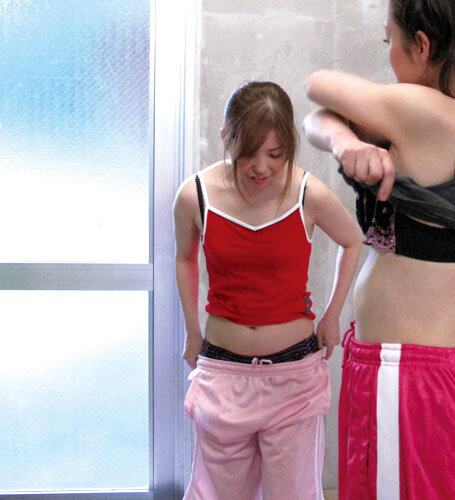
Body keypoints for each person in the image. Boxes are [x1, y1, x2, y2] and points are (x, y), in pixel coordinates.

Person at [302, 0, 455, 498]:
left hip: (406, 378)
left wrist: (344, 139)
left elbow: (317, 86)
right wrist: (344, 142)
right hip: (432, 370)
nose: (389, 55)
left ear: (421, 46)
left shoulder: (430, 113)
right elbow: (318, 120)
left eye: (390, 41)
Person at [173, 81, 362, 500]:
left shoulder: (307, 193)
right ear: (226, 137)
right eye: (248, 153)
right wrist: (192, 331)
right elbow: (184, 258)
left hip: (294, 376)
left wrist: (332, 316)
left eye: (275, 155)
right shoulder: (195, 196)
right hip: (223, 372)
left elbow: (352, 240)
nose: (261, 168)